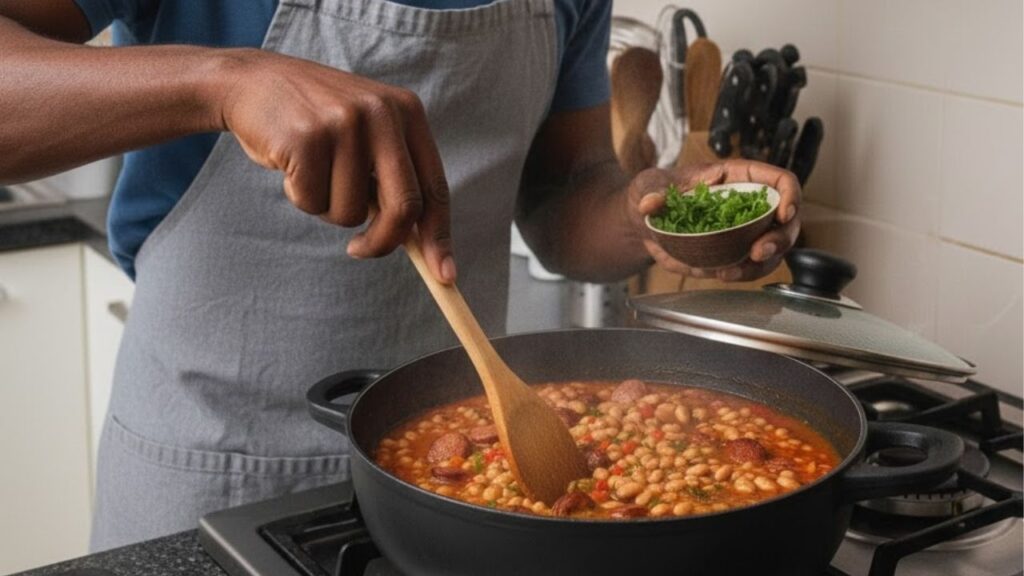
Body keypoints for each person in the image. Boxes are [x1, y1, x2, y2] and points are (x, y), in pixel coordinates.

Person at [0, 0, 800, 551]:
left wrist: (644, 216)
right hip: (209, 457)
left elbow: (561, 200)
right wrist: (225, 79)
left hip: (479, 476)